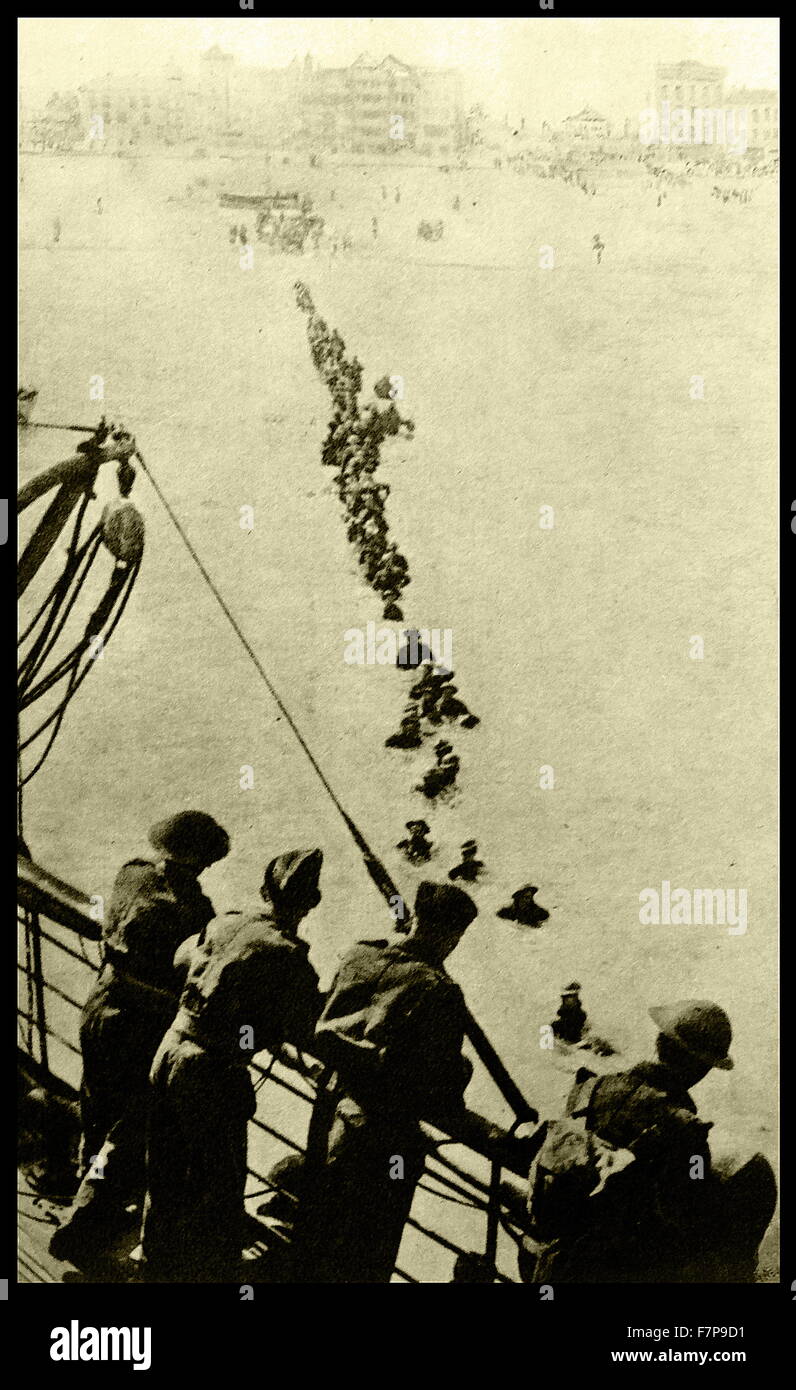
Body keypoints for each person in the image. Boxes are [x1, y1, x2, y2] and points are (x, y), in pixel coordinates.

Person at [49, 811, 230, 1271]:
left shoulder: (132, 873)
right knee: (130, 1127)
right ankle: (86, 1221)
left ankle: (80, 1189)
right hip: (138, 1027)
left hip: (99, 1010)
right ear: (203, 862)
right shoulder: (193, 913)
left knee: (96, 1104)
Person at [140, 848, 324, 1282]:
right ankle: (211, 1273)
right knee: (219, 1184)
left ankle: (151, 1261)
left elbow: (181, 960)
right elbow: (313, 1021)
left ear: (263, 890)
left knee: (164, 1168)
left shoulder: (226, 920)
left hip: (169, 1049)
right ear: (311, 902)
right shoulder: (288, 954)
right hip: (210, 1072)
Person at [292, 880, 478, 1282]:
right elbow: (441, 1087)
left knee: (315, 1226)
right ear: (453, 936)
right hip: (381, 1141)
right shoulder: (440, 991)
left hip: (329, 1108)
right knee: (365, 1249)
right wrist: (463, 1070)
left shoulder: (360, 953)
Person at [521, 1000, 775, 1283]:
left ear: (659, 1041)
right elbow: (691, 1203)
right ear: (702, 1069)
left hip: (552, 1258)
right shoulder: (686, 1131)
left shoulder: (590, 1088)